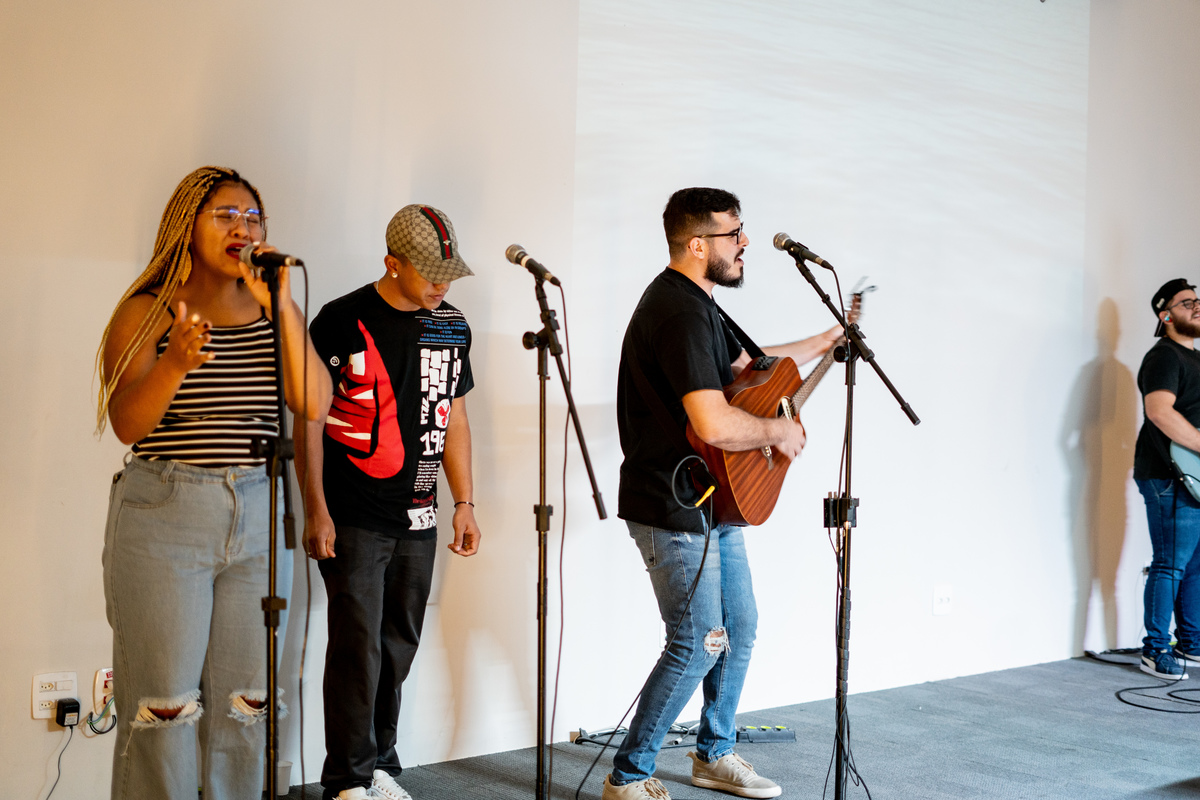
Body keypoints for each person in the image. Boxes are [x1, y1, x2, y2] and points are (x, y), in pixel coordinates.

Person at [95, 166, 330, 799]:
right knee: (163, 707)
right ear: (186, 226)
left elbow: (314, 402)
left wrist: (279, 305)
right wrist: (175, 362)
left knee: (248, 706)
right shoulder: (148, 310)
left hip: (258, 509)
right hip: (166, 513)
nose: (243, 228)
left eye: (253, 217)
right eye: (226, 215)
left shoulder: (271, 306)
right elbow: (125, 423)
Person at [609, 187, 846, 800]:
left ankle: (713, 754)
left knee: (738, 628)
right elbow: (713, 422)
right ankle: (628, 776)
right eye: (733, 233)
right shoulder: (680, 311)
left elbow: (754, 369)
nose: (744, 243)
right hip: (674, 505)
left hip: (714, 499)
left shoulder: (700, 305)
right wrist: (777, 431)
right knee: (696, 643)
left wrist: (823, 343)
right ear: (696, 244)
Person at [299, 204, 482, 800]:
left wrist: (465, 502)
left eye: (449, 273)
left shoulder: (451, 325)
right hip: (353, 514)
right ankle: (347, 780)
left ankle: (378, 763)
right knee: (356, 645)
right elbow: (309, 420)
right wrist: (316, 508)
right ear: (392, 264)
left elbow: (454, 417)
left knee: (397, 643)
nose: (442, 285)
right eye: (431, 273)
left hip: (421, 513)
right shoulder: (340, 320)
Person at [1133, 277, 1200, 681]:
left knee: (1194, 566)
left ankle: (1190, 642)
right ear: (1166, 314)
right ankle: (1155, 649)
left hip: (1192, 478)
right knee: (1170, 564)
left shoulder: (1196, 359)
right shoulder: (1164, 356)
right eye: (1186, 301)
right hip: (1166, 475)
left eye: (1197, 300)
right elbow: (1159, 411)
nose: (1196, 306)